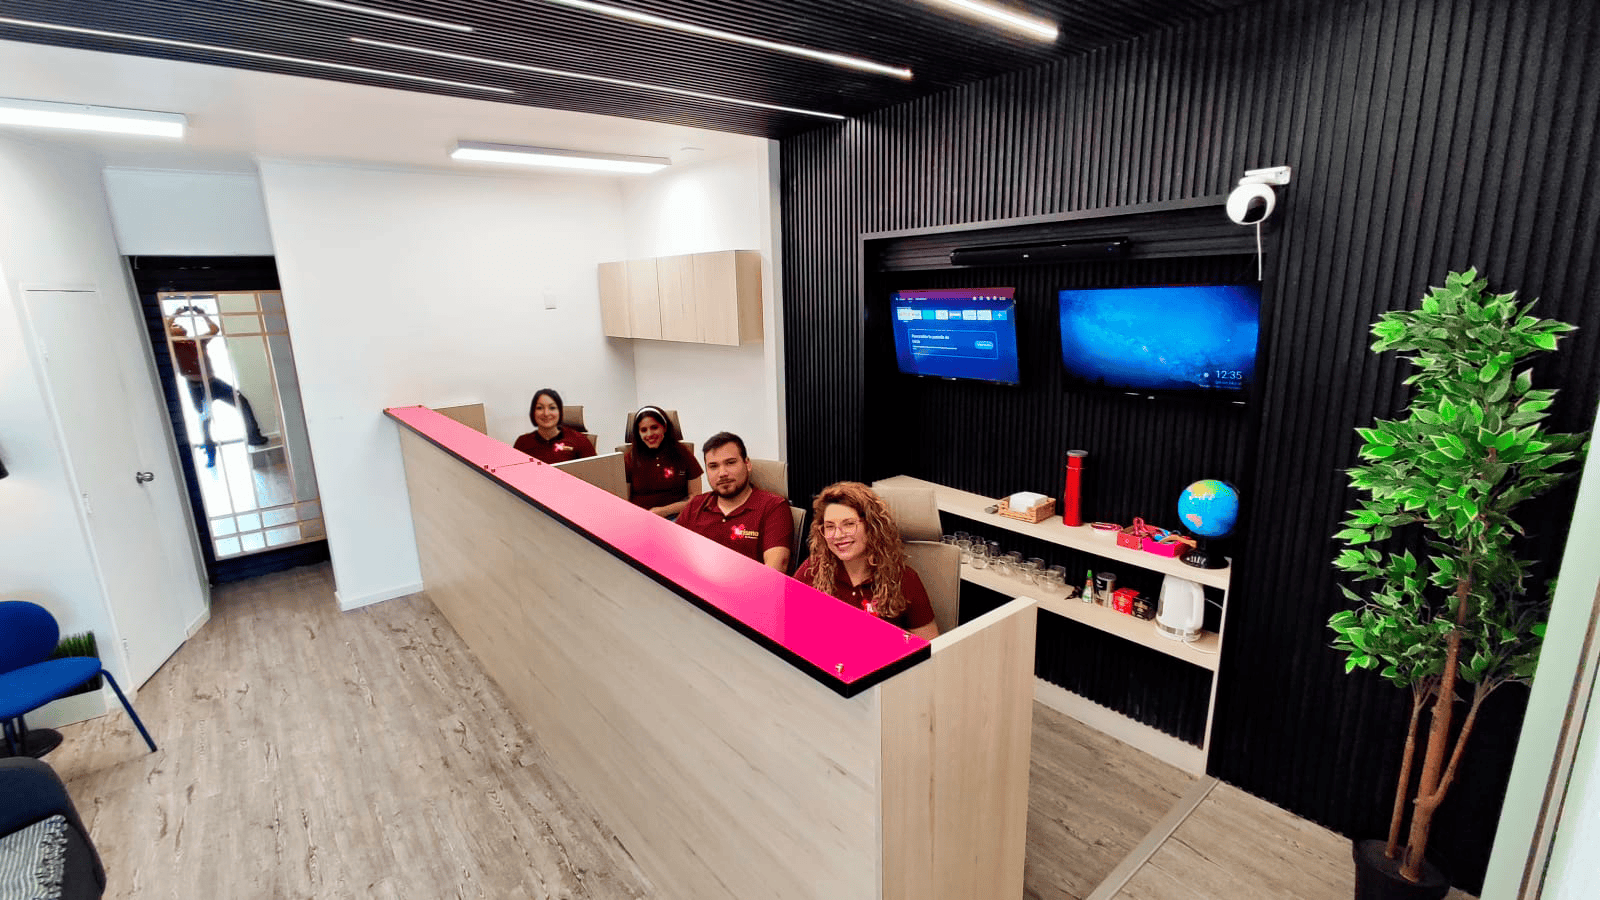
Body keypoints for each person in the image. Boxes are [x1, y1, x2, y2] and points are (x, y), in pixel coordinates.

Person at [793, 481, 939, 638]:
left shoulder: (903, 579)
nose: (838, 535)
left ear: (871, 527)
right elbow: (786, 621)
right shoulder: (814, 568)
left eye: (849, 524)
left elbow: (930, 645)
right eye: (829, 526)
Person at [166, 305, 268, 468]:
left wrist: (203, 314)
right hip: (197, 388)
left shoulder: (197, 341)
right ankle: (211, 454)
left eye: (179, 324)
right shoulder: (173, 346)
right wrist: (176, 314)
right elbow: (164, 328)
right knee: (205, 421)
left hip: (214, 383)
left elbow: (214, 329)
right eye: (175, 326)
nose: (179, 326)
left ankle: (254, 437)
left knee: (241, 401)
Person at [676, 432, 793, 572]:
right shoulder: (696, 504)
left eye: (730, 463)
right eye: (713, 466)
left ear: (747, 464)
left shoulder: (773, 507)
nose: (722, 473)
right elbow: (671, 551)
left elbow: (775, 569)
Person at [623, 405, 702, 518]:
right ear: (638, 433)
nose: (649, 434)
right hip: (642, 518)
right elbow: (624, 500)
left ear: (664, 427)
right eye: (644, 430)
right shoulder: (629, 458)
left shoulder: (683, 454)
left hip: (677, 516)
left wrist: (664, 511)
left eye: (654, 427)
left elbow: (696, 499)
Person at [512, 388, 596, 464]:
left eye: (552, 408)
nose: (546, 413)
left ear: (560, 412)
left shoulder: (580, 441)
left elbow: (594, 472)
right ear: (533, 412)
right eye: (540, 408)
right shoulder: (522, 443)